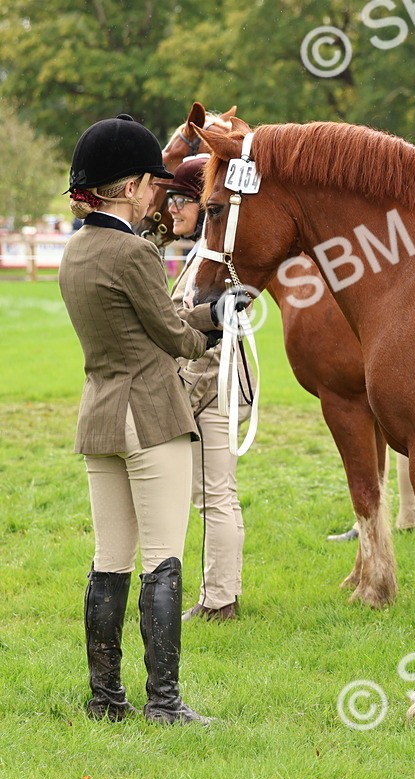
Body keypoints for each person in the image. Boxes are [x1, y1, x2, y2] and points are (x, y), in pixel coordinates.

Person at [58, 114, 244, 725]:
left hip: (100, 418)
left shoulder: (77, 249)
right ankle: (164, 703)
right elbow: (172, 338)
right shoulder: (134, 253)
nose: (156, 194)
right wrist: (216, 316)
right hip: (150, 416)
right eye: (150, 184)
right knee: (163, 560)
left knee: (109, 560)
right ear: (132, 185)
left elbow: (140, 320)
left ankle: (105, 698)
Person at [162, 154, 254, 621]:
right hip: (215, 386)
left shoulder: (213, 263)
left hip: (210, 388)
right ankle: (222, 593)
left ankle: (219, 600)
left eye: (181, 200)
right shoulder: (205, 257)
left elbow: (212, 337)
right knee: (218, 494)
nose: (172, 208)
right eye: (171, 199)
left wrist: (185, 396)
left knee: (214, 496)